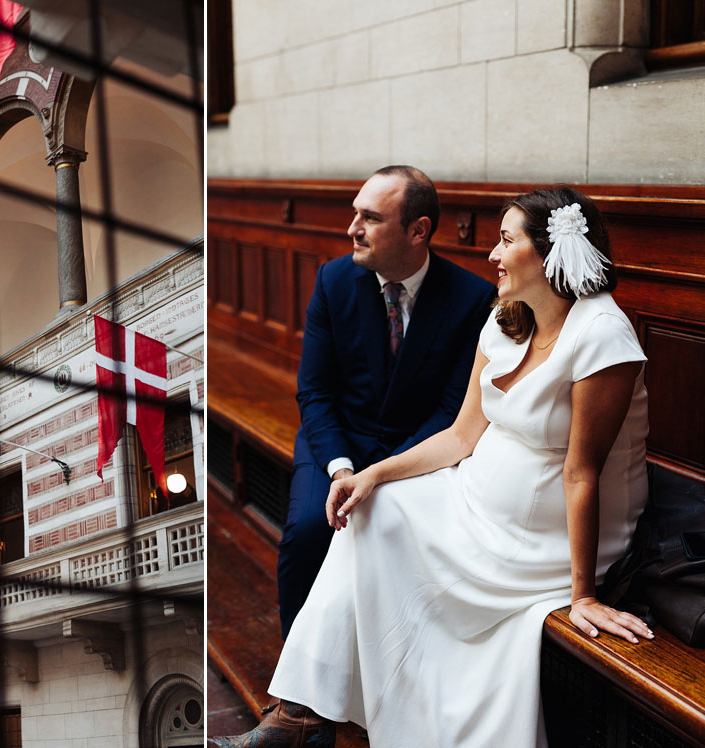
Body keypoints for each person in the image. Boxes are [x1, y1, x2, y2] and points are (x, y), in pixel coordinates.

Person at [209, 187, 652, 748]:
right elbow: (462, 435)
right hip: (474, 498)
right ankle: (298, 719)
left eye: (506, 241)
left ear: (550, 254)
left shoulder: (602, 335)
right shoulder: (508, 318)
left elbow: (581, 472)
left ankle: (315, 724)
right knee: (373, 510)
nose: (492, 254)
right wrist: (373, 474)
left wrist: (585, 595)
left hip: (546, 538)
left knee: (388, 538)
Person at [278, 165, 495, 639]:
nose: (352, 229)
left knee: (394, 534)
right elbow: (314, 392)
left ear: (418, 231)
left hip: (415, 452)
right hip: (335, 444)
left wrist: (384, 473)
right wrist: (341, 469)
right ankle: (295, 692)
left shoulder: (474, 300)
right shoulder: (333, 281)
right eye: (355, 213)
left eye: (370, 218)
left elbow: (452, 409)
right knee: (308, 532)